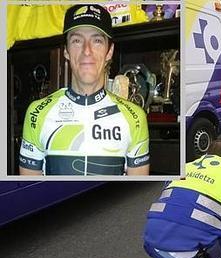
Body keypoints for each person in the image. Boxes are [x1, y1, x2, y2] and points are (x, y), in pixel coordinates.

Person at [19, 4, 149, 176]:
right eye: (77, 40)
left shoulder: (135, 117)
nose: (86, 51)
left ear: (109, 52)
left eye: (96, 40)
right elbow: (30, 194)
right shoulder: (37, 113)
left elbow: (135, 195)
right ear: (66, 51)